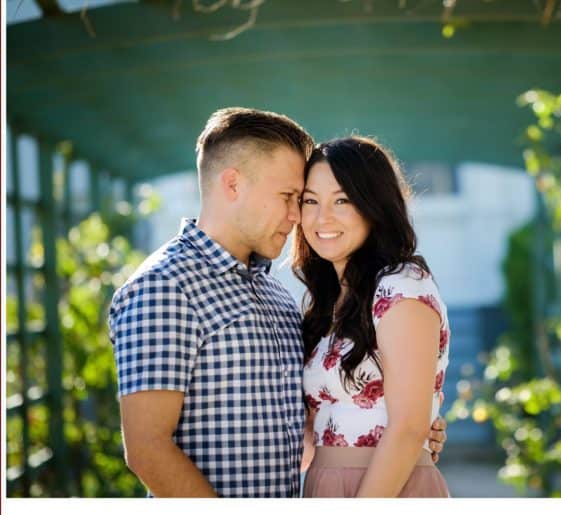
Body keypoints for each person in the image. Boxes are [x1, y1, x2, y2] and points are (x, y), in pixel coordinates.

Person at [108, 107, 446, 498]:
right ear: (232, 184)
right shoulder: (164, 287)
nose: (297, 217)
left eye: (298, 199)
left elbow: (305, 433)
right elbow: (147, 449)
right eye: (295, 198)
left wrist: (415, 427)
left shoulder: (277, 296)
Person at [294, 136, 451, 497]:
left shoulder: (402, 286)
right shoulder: (329, 305)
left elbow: (409, 428)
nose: (322, 218)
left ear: (373, 206)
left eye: (342, 200)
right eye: (310, 201)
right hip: (324, 486)